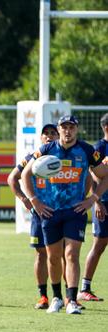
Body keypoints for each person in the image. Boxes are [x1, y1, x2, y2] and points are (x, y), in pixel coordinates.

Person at [22, 115, 108, 315]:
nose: (67, 131)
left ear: (76, 130)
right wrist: (34, 200)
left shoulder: (87, 150)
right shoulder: (46, 150)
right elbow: (25, 174)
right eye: (64, 127)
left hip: (74, 211)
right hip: (50, 211)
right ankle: (56, 298)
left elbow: (104, 175)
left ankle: (72, 300)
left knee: (71, 255)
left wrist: (92, 198)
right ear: (59, 130)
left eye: (71, 127)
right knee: (53, 257)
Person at [7, 124, 59, 309]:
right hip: (40, 214)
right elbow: (12, 178)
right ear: (41, 137)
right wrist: (25, 199)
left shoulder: (65, 157)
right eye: (46, 133)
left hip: (62, 211)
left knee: (65, 254)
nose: (49, 136)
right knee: (41, 253)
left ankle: (68, 297)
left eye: (53, 133)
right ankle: (43, 296)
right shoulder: (31, 158)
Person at [79, 113, 108, 302]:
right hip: (104, 203)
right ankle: (84, 287)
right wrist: (96, 201)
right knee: (99, 244)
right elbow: (91, 176)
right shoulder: (99, 148)